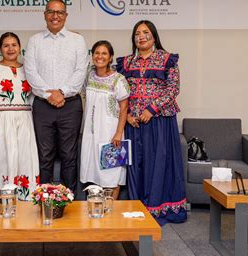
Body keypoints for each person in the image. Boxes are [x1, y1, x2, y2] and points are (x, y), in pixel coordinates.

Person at [116, 20, 187, 225]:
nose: (141, 36)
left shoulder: (167, 60)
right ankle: (137, 207)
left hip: (159, 122)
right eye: (137, 33)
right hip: (134, 123)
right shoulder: (126, 63)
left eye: (146, 32)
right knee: (136, 164)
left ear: (154, 36)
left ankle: (158, 207)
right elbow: (120, 93)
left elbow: (172, 89)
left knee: (159, 164)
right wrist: (127, 114)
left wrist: (151, 109)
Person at [24, 0, 89, 194]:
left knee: (69, 155)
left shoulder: (77, 40)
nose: (55, 16)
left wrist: (62, 93)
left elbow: (81, 71)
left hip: (70, 106)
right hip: (43, 106)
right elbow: (30, 72)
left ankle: (67, 200)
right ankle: (44, 200)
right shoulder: (34, 41)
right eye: (51, 12)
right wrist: (48, 94)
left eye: (60, 12)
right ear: (45, 15)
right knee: (44, 155)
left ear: (66, 16)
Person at [0, 32, 39, 201]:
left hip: (24, 121)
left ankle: (23, 200)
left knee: (23, 158)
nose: (10, 49)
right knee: (0, 159)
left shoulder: (28, 70)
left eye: (14, 45)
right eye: (6, 45)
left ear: (20, 48)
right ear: (0, 49)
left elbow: (34, 96)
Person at [80, 41, 129, 199]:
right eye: (97, 53)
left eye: (104, 53)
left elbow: (124, 108)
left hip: (111, 133)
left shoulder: (118, 79)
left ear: (110, 57)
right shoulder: (88, 75)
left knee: (112, 174)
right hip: (91, 133)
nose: (100, 56)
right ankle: (97, 211)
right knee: (94, 172)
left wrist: (118, 133)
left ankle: (111, 213)